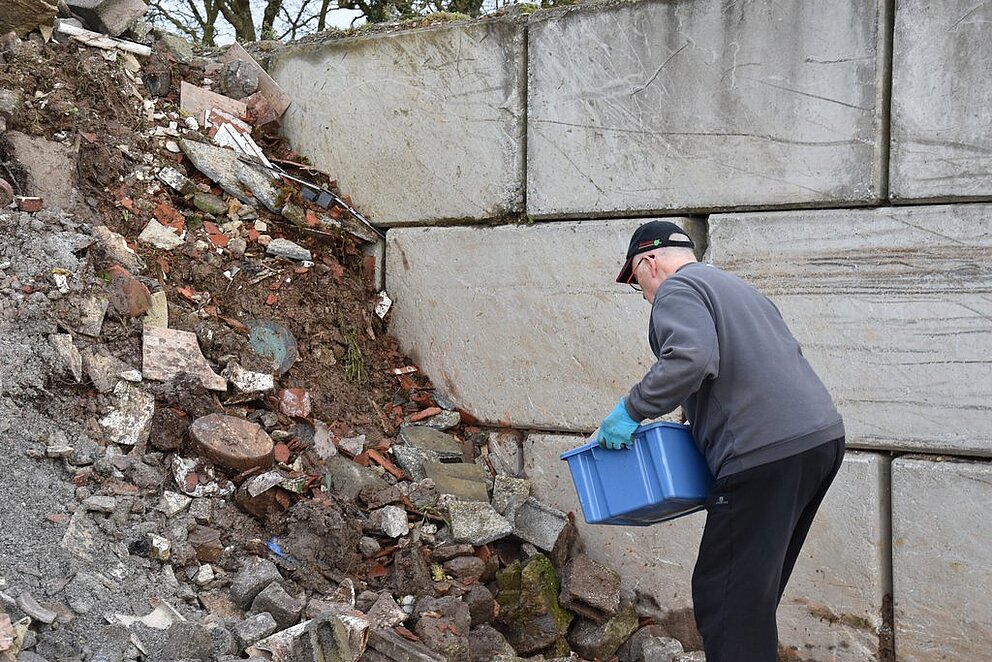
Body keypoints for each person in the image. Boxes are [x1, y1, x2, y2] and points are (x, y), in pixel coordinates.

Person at [596, 220, 846, 662]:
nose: (646, 297)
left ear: (649, 263)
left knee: (724, 597)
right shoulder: (737, 289)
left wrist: (630, 411)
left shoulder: (676, 290)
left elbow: (690, 358)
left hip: (763, 454)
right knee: (751, 594)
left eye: (639, 286)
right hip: (818, 441)